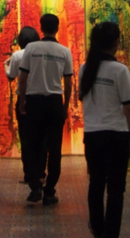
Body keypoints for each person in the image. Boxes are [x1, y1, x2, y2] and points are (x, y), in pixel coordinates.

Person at [79, 22, 130, 238]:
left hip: (92, 135)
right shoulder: (120, 70)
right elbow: (129, 108)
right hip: (117, 135)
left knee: (96, 184)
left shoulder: (85, 69)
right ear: (116, 43)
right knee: (116, 189)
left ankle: (97, 228)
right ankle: (111, 233)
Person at [19, 13, 74, 206]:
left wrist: (22, 100)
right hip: (54, 102)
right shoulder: (65, 51)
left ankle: (35, 186)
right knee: (55, 148)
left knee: (32, 145)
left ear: (41, 27)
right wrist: (65, 106)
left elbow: (23, 78)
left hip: (34, 101)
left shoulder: (31, 48)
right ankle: (50, 190)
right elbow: (68, 83)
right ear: (57, 28)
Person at [5, 26, 41, 184]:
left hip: (24, 98)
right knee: (41, 138)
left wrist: (6, 65)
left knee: (26, 138)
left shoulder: (18, 55)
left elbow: (10, 77)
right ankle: (40, 172)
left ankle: (29, 174)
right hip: (41, 97)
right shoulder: (40, 53)